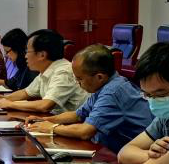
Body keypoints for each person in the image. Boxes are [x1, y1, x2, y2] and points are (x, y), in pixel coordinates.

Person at [25, 44, 153, 153]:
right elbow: (77, 115)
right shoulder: (105, 85)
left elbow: (85, 132)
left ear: (99, 77)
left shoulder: (113, 91)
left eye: (80, 79)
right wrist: (44, 120)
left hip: (134, 154)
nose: (78, 83)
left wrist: (52, 128)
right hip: (112, 150)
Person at [0, 29, 87, 114]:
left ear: (42, 55)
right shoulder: (47, 70)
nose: (25, 56)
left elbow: (45, 105)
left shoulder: (63, 72)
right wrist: (4, 98)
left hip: (73, 125)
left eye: (28, 52)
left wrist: (10, 104)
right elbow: (26, 92)